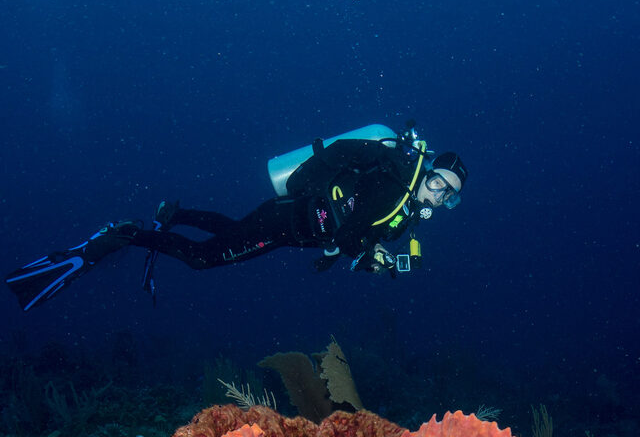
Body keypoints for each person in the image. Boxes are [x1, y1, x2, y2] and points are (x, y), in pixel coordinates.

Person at [5, 122, 467, 311]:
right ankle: (127, 235)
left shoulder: (406, 207)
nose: (439, 195)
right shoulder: (394, 178)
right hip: (288, 221)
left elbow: (357, 227)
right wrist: (368, 256)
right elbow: (353, 232)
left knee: (230, 231)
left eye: (450, 196)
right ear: (429, 169)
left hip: (289, 222)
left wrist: (366, 250)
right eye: (440, 182)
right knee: (204, 259)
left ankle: (177, 213)